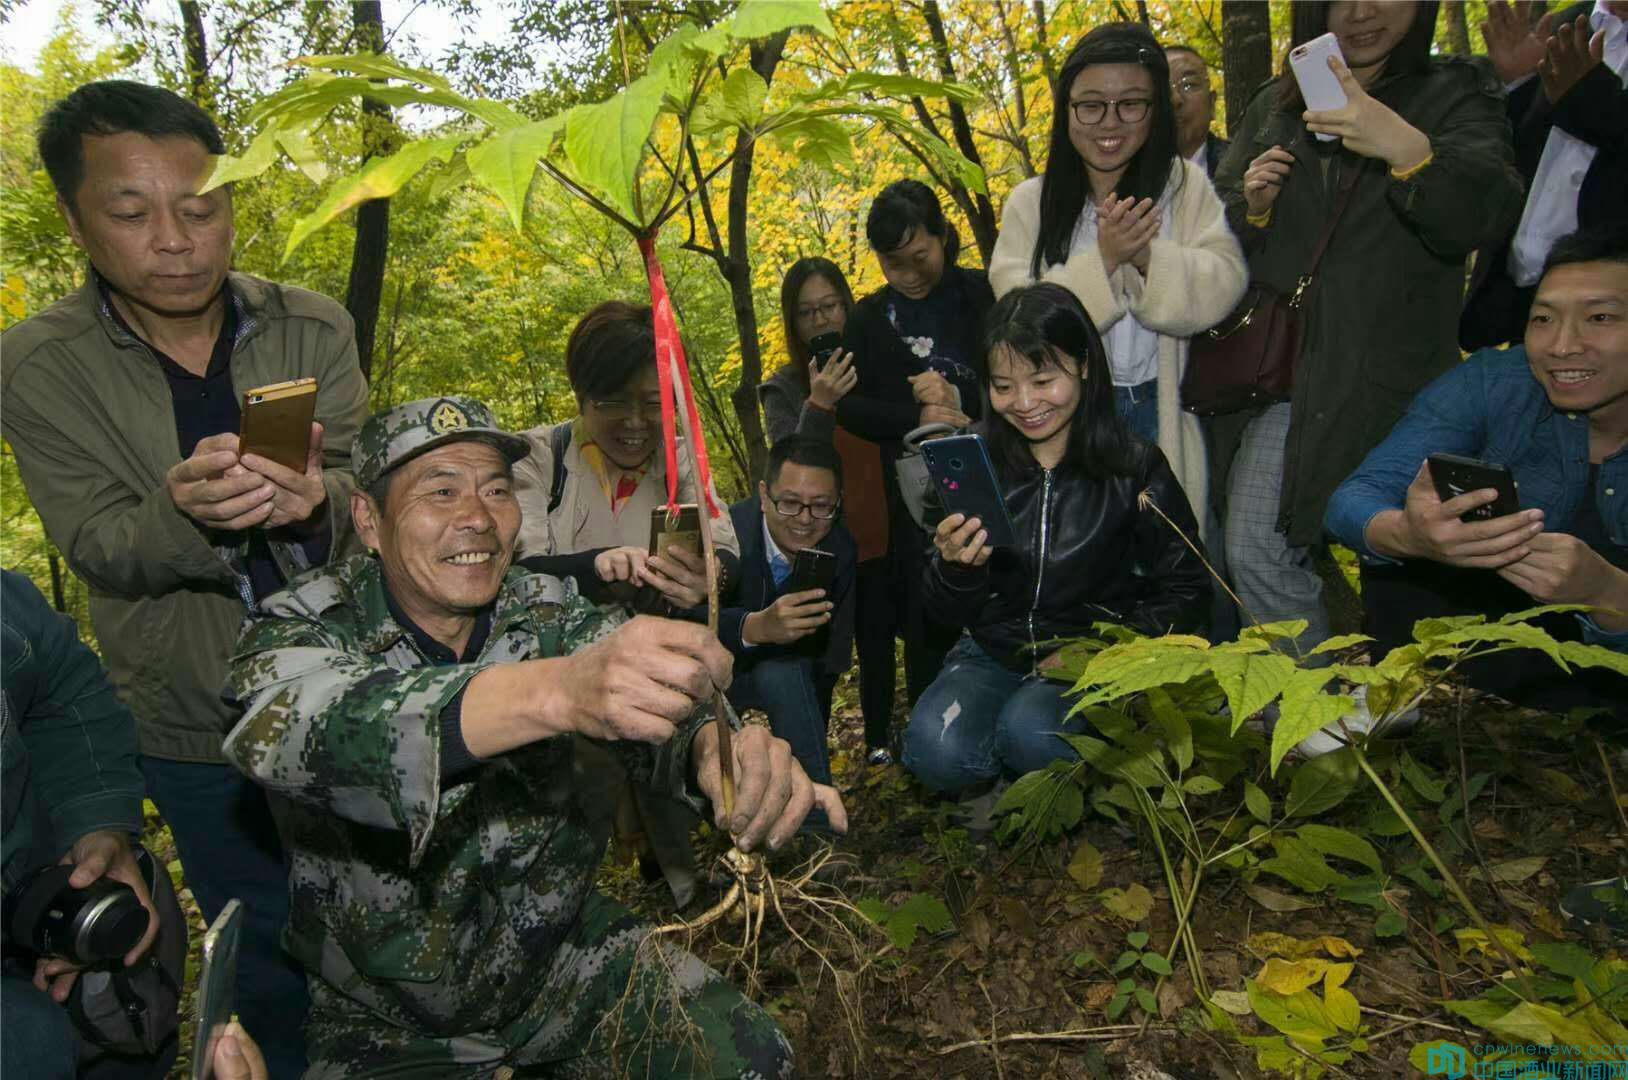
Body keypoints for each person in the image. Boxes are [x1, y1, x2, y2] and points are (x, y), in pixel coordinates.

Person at [223, 397, 842, 1078]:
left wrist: (721, 752)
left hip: (564, 961)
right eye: (441, 491)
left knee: (756, 1063)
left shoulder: (546, 609)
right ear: (369, 520)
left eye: (496, 489)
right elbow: (290, 728)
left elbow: (658, 707)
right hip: (385, 1021)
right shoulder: (307, 625)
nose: (477, 517)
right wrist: (553, 693)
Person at [1, 80, 372, 1077]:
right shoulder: (40, 366)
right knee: (268, 962)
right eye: (132, 212)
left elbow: (372, 489)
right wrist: (186, 514)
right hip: (191, 725)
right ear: (78, 220)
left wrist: (320, 503)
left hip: (350, 696)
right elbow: (97, 544)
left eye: (201, 206)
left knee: (385, 942)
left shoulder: (312, 328)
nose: (175, 238)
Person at [1210, 0, 1523, 655]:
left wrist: (1409, 152)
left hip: (1402, 377)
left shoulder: (1455, 91)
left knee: (1419, 567)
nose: (1361, 12)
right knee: (1255, 546)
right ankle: (1312, 728)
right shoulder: (1274, 104)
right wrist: (1255, 209)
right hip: (1289, 377)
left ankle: (1425, 715)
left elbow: (1484, 220)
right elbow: (1218, 246)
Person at [903, 284, 1211, 797]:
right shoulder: (971, 463)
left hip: (1089, 657)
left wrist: (1103, 654)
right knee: (936, 749)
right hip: (991, 651)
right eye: (1003, 386)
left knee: (1030, 731)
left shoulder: (1132, 466)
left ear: (1084, 366)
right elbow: (939, 611)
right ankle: (1011, 781)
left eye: (1043, 379)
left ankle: (1075, 785)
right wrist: (957, 569)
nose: (1024, 404)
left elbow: (1188, 588)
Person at [1326, 227, 1628, 712]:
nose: (1562, 345)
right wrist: (1408, 534)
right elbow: (1356, 497)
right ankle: (1414, 717)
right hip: (1468, 675)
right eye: (1543, 319)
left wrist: (1608, 592)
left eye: (1600, 317)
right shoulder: (1495, 383)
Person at [511, 300, 741, 903]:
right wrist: (597, 566)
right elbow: (523, 563)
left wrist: (707, 576)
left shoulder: (681, 456)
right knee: (571, 802)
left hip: (655, 665)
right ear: (582, 395)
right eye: (614, 402)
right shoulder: (537, 458)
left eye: (651, 402)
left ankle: (683, 885)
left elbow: (723, 544)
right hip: (560, 670)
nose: (636, 422)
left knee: (667, 758)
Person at [988, 22, 1246, 528]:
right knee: (1083, 560)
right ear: (1066, 112)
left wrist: (1149, 258)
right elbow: (1015, 317)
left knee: (1178, 557)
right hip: (1070, 420)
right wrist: (1104, 262)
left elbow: (1226, 280)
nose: (1110, 122)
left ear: (1155, 109)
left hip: (1163, 409)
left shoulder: (1184, 186)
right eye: (1090, 105)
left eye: (1131, 103)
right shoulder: (1030, 203)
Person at [835, 180, 996, 714]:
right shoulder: (867, 320)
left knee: (997, 596)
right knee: (927, 613)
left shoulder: (983, 295)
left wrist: (960, 396)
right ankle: (938, 729)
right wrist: (917, 414)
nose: (908, 274)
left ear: (943, 236)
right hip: (912, 500)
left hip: (994, 476)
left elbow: (1020, 375)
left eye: (919, 256)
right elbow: (849, 407)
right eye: (892, 262)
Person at [2, 571, 166, 1080]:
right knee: (28, 1043)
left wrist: (97, 824)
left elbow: (65, 694)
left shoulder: (9, 612)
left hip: (31, 914)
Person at [761, 258, 896, 764]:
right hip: (819, 545)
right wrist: (818, 404)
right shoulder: (784, 386)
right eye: (806, 312)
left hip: (882, 532)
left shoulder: (875, 369)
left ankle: (882, 744)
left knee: (880, 644)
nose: (820, 321)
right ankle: (812, 764)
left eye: (829, 306)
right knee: (820, 659)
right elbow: (791, 465)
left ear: (847, 305)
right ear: (793, 323)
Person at [1461, 0, 1628, 351]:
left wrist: (1596, 102)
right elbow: (1518, 153)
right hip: (1520, 304)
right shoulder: (1563, 28)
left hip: (1609, 319)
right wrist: (1518, 82)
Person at [717, 437, 857, 801]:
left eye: (821, 506)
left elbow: (827, 653)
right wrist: (755, 626)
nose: (806, 519)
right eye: (790, 503)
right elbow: (687, 618)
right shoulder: (723, 535)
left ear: (837, 504)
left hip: (791, 671)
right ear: (764, 496)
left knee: (784, 672)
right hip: (713, 669)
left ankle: (816, 820)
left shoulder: (838, 549)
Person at [1166, 44, 1231, 179]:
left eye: (1189, 85)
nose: (1175, 99)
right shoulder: (1121, 175)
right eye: (1163, 87)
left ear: (1212, 103)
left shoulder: (1243, 167)